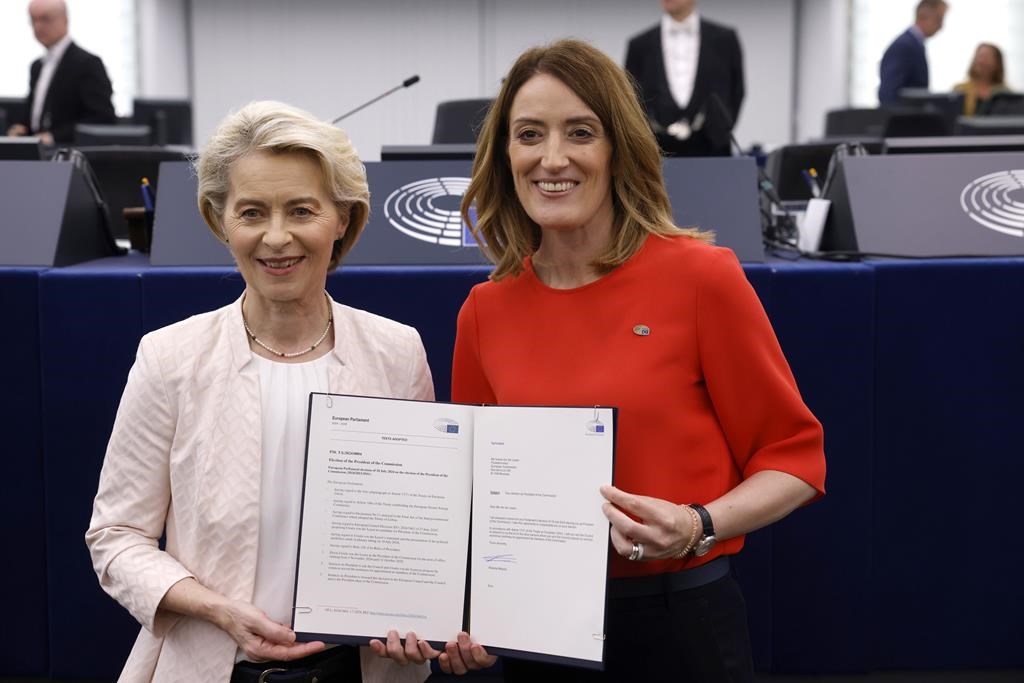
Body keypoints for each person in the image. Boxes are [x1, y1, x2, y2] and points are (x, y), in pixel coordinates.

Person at [450, 39, 826, 682]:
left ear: (618, 149)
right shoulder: (485, 310)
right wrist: (464, 614)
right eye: (529, 134)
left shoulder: (702, 278)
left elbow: (795, 460)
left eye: (580, 132)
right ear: (504, 155)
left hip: (680, 626)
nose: (553, 158)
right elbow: (473, 499)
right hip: (540, 634)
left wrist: (697, 523)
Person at [86, 101, 436, 683]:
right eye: (252, 212)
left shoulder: (397, 353)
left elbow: (424, 531)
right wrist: (215, 608)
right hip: (215, 667)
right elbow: (116, 539)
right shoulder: (169, 357)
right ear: (220, 220)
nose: (277, 237)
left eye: (302, 209)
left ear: (343, 218)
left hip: (367, 672)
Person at [624, 0, 744, 157]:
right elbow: (629, 94)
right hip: (654, 148)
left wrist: (720, 127)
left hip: (713, 146)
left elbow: (737, 90)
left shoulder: (725, 39)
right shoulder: (639, 45)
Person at [5, 0, 116, 145]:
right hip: (36, 155)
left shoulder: (88, 64)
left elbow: (103, 118)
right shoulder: (37, 66)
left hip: (69, 155)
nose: (38, 26)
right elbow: (37, 114)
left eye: (45, 19)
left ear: (64, 19)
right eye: (33, 20)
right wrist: (22, 128)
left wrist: (54, 137)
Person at [878, 0, 948, 105]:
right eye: (938, 19)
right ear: (923, 14)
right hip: (902, 119)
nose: (941, 26)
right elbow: (888, 93)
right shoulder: (904, 46)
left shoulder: (914, 45)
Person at [955, 42, 1010, 116]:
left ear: (997, 63)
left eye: (986, 57)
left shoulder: (1006, 94)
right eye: (979, 56)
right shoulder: (959, 90)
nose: (981, 61)